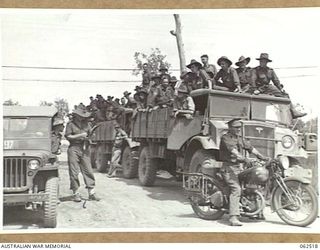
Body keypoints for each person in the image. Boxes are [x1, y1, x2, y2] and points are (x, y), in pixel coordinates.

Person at [219, 118, 268, 226]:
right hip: (228, 168)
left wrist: (261, 156)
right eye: (236, 128)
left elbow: (250, 148)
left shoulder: (240, 139)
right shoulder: (225, 138)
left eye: (239, 128)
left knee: (253, 184)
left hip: (239, 168)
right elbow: (233, 150)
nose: (238, 130)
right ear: (230, 128)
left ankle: (257, 212)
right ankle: (233, 217)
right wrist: (243, 158)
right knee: (236, 189)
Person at [251, 53, 306, 118]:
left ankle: (293, 112)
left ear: (267, 62)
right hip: (258, 88)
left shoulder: (270, 71)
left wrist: (280, 89)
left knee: (285, 95)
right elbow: (252, 80)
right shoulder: (255, 70)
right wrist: (255, 90)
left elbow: (276, 81)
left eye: (264, 61)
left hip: (267, 88)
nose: (262, 62)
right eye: (261, 61)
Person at [65, 107, 100, 202]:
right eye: (80, 116)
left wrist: (90, 137)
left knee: (88, 170)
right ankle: (76, 193)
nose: (82, 118)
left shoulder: (87, 124)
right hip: (74, 148)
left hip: (85, 148)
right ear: (75, 116)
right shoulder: (70, 124)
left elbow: (91, 135)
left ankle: (91, 193)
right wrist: (80, 136)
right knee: (74, 172)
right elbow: (68, 136)